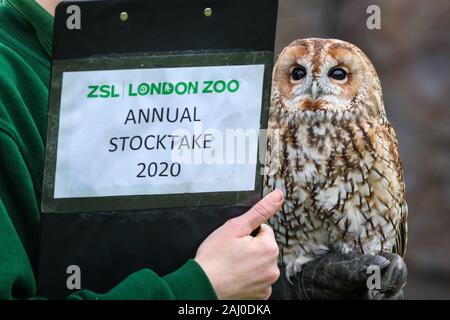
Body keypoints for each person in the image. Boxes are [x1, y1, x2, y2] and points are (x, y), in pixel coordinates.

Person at [0, 0, 407, 300]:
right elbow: (209, 280)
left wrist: (296, 287)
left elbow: (205, 256)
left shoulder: (194, 63)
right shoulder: (12, 78)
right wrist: (199, 288)